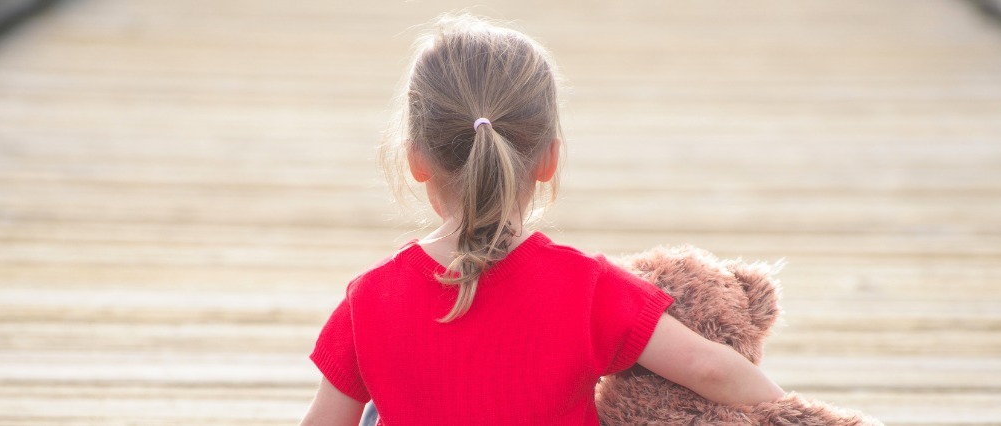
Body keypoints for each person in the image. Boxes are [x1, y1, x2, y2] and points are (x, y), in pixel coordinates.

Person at [299, 14, 784, 426]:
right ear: (550, 159)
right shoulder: (587, 287)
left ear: (415, 159)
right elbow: (710, 369)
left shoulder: (369, 300)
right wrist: (796, 412)